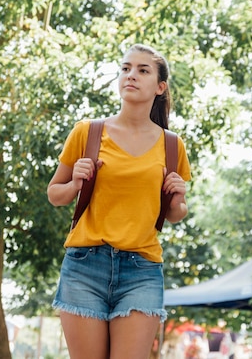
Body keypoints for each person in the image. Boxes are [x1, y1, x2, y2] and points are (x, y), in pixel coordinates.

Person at [47, 44, 191, 359]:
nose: (131, 76)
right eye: (126, 68)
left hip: (142, 270)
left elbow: (176, 213)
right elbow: (55, 193)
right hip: (85, 265)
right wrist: (74, 183)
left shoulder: (172, 145)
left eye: (143, 70)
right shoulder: (88, 132)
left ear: (160, 86)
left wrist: (179, 196)